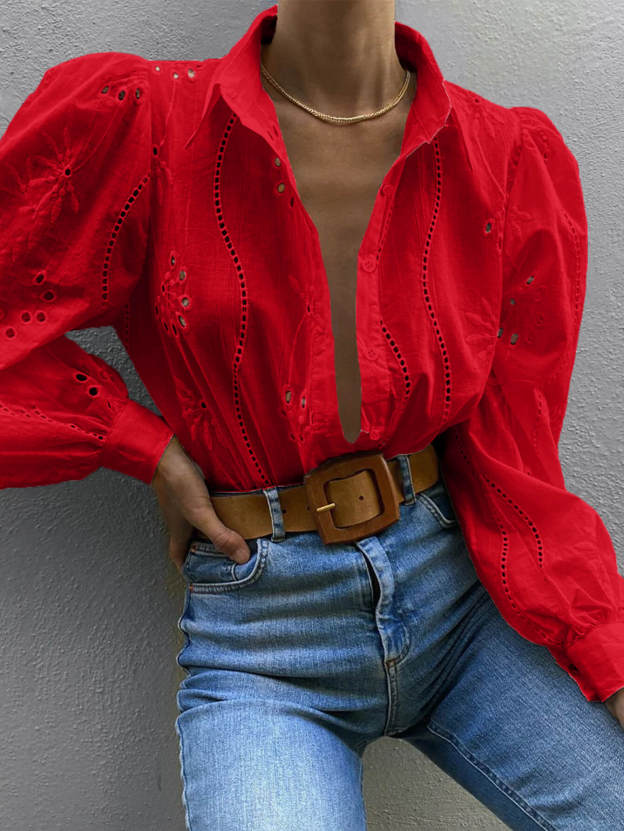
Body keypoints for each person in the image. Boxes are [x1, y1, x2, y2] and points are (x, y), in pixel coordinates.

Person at [2, 2, 624, 828]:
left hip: (464, 606)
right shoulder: (146, 126)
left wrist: (606, 649)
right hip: (265, 638)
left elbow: (515, 464)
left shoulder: (504, 158)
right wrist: (135, 441)